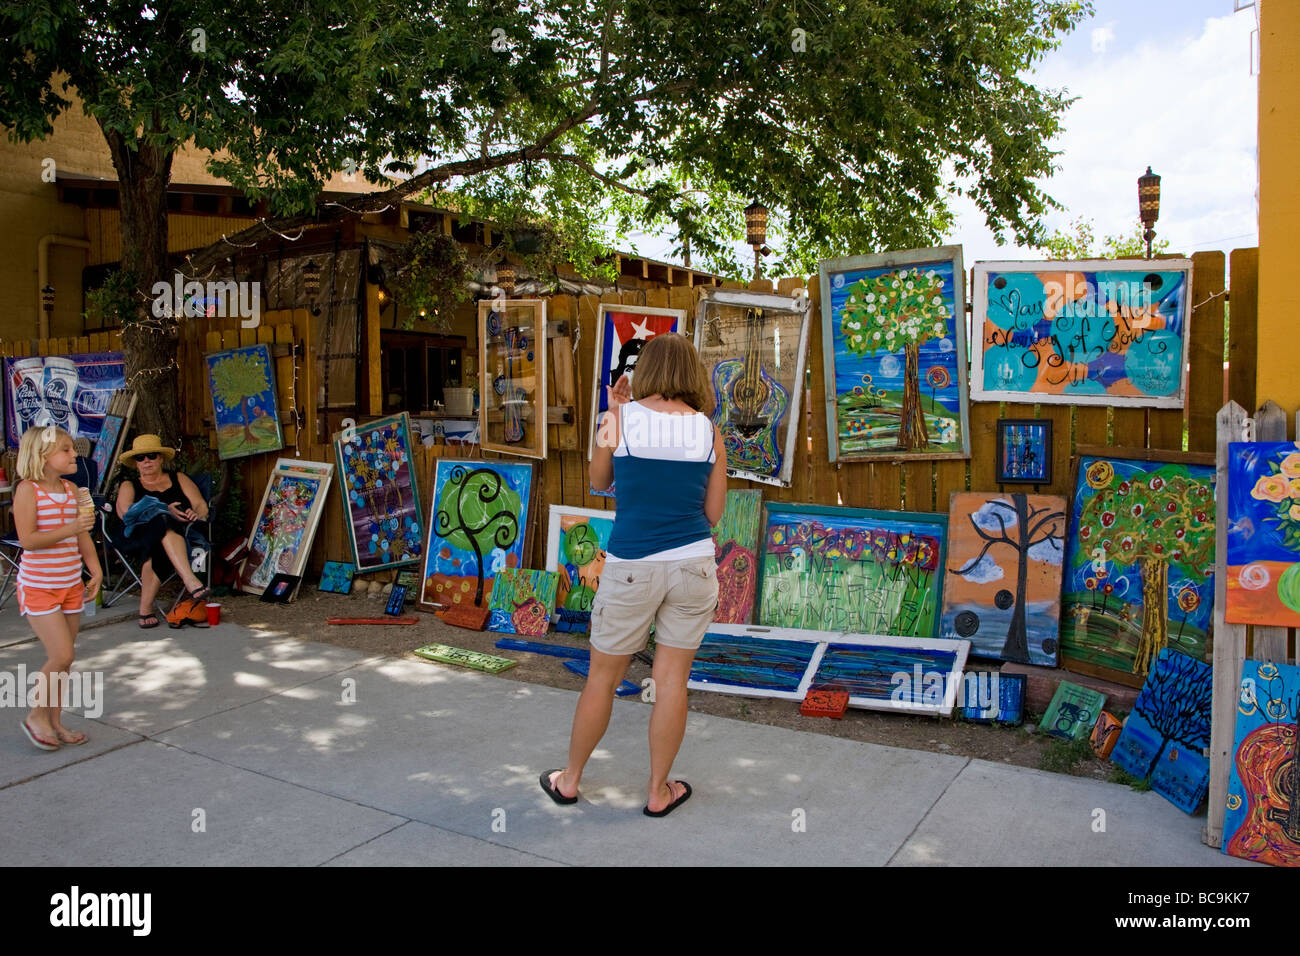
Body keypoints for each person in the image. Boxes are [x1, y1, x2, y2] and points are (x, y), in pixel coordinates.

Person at [541, 333, 726, 817]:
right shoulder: (708, 430)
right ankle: (658, 791)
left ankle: (570, 780)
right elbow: (714, 512)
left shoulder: (616, 420)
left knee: (602, 679)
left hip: (630, 568)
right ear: (690, 372)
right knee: (671, 681)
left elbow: (599, 483)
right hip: (692, 566)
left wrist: (614, 411)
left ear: (644, 370)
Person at [13, 426, 102, 750]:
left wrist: (94, 569)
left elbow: (81, 535)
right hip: (40, 587)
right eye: (66, 449)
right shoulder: (28, 490)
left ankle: (54, 721)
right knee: (61, 653)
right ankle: (37, 716)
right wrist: (71, 526)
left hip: (69, 585)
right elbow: (28, 540)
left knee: (65, 659)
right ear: (43, 456)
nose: (74, 453)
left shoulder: (71, 488)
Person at [114, 434, 210, 629]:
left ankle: (145, 609)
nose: (146, 461)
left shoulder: (178, 478)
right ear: (136, 463)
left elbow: (201, 505)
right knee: (163, 520)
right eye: (141, 458)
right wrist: (164, 509)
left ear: (161, 458)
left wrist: (195, 514)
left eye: (151, 455)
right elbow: (126, 514)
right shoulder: (129, 484)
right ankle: (190, 580)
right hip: (137, 536)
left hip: (177, 538)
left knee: (161, 541)